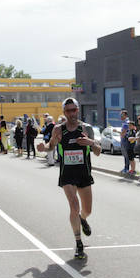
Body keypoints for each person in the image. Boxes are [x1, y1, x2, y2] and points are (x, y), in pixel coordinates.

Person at [36, 97, 101, 260]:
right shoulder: (58, 129)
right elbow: (51, 146)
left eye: (74, 110)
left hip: (84, 173)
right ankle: (78, 243)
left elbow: (98, 151)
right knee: (74, 205)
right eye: (68, 110)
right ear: (64, 112)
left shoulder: (86, 128)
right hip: (67, 173)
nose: (72, 113)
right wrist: (44, 147)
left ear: (78, 110)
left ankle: (83, 219)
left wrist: (90, 142)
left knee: (87, 210)